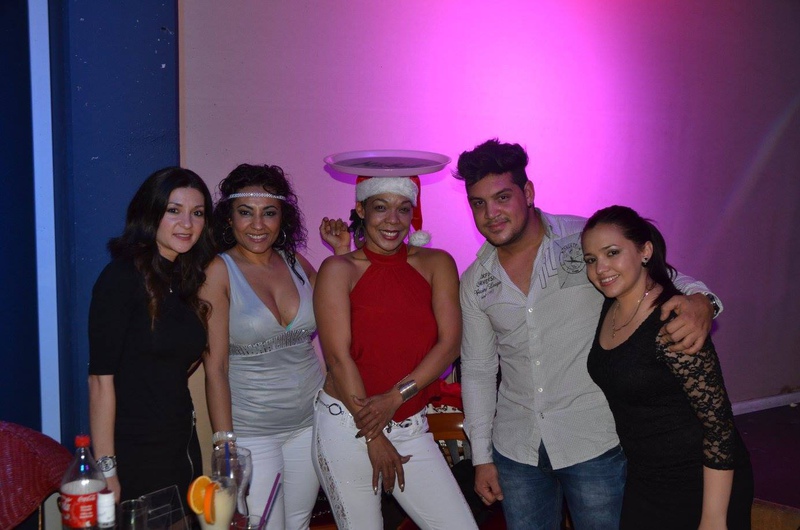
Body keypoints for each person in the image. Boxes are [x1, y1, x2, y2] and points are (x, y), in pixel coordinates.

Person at [454, 139, 722, 530]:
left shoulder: (583, 240)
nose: (491, 213)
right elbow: (478, 370)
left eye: (502, 198)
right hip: (516, 449)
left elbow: (660, 276)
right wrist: (481, 457)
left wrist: (702, 301)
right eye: (478, 203)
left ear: (528, 192)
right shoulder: (476, 280)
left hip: (594, 441)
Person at [312, 177, 478, 529]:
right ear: (361, 210)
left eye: (403, 209)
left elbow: (449, 344)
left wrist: (395, 397)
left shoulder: (437, 263)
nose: (393, 220)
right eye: (380, 207)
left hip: (409, 425)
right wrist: (373, 435)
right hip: (348, 426)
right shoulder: (338, 270)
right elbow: (338, 358)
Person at [581, 205, 753, 529]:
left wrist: (714, 518)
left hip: (700, 484)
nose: (600, 268)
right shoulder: (609, 307)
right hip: (645, 480)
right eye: (591, 259)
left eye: (612, 253)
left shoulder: (674, 322)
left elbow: (719, 427)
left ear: (645, 251)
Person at [200, 163, 350, 527]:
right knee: (265, 524)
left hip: (310, 423)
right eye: (245, 213)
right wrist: (224, 445)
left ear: (283, 217)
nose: (258, 225)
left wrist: (342, 251)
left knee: (299, 522)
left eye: (269, 213)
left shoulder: (296, 262)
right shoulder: (217, 271)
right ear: (229, 218)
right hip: (253, 431)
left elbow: (344, 313)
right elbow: (215, 367)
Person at [88, 167, 216, 502]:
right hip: (135, 450)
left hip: (180, 442)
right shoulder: (121, 277)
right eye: (174, 210)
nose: (187, 224)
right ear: (150, 213)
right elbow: (100, 380)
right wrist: (107, 469)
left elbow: (176, 361)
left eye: (197, 213)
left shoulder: (184, 280)